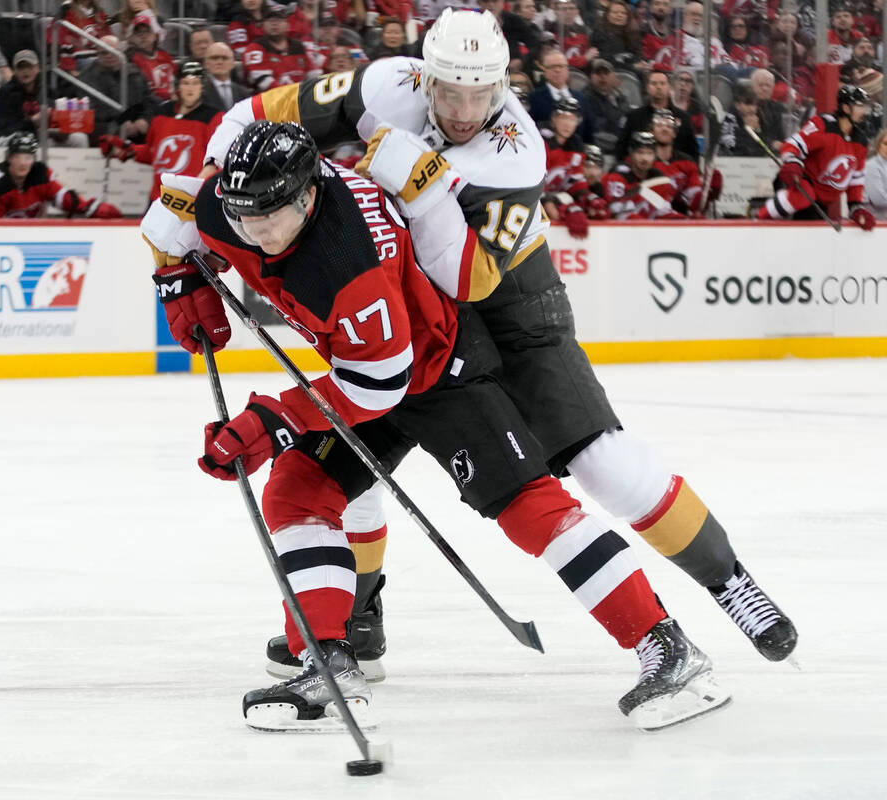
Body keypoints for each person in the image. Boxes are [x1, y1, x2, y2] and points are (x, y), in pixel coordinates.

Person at [198, 7, 797, 678]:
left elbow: (473, 277)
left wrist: (423, 187)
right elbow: (245, 122)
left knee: (603, 463)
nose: (462, 109)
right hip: (404, 301)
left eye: (479, 93)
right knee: (356, 467)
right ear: (425, 75)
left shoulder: (515, 151)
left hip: (508, 298)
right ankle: (356, 624)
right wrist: (218, 200)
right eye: (448, 90)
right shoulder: (385, 84)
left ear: (503, 84)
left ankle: (729, 582)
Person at [144, 119, 729, 730]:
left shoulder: (349, 260)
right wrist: (178, 278)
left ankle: (669, 648)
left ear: (307, 195)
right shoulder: (236, 203)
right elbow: (171, 215)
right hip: (364, 369)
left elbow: (378, 385)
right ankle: (329, 663)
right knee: (296, 492)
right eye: (241, 220)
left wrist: (275, 419)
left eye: (268, 220)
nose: (255, 236)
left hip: (438, 370)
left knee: (531, 508)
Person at [97, 61, 222, 201]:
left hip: (190, 200)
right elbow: (155, 152)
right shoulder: (161, 114)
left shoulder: (214, 118)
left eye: (195, 83)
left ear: (202, 87)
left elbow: (217, 162)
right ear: (177, 86)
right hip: (158, 198)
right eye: (185, 83)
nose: (190, 88)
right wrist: (126, 149)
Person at [756, 84, 875, 230]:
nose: (865, 111)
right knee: (803, 196)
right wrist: (792, 162)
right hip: (796, 181)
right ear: (845, 108)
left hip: (821, 202)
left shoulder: (861, 141)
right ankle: (759, 219)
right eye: (860, 106)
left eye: (865, 106)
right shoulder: (823, 125)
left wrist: (856, 207)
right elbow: (793, 144)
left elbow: (856, 179)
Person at [0, 132, 121, 219]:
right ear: (8, 158)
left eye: (28, 157)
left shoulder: (40, 173)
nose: (23, 163)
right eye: (17, 157)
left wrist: (90, 207)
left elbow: (64, 198)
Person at [650, 108, 721, 215]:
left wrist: (708, 193)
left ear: (674, 133)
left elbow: (694, 199)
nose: (664, 129)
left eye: (669, 126)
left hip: (680, 220)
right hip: (650, 221)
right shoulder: (643, 162)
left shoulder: (687, 162)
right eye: (659, 125)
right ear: (652, 131)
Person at [615, 70, 698, 160]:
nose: (658, 87)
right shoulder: (634, 117)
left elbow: (693, 151)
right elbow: (621, 148)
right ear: (647, 88)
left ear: (669, 87)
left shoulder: (683, 117)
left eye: (662, 84)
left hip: (676, 168)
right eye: (654, 83)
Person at [542, 96, 592, 239]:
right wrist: (555, 205)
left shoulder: (576, 144)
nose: (568, 124)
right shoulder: (541, 140)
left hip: (550, 197)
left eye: (572, 119)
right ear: (553, 119)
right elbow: (532, 182)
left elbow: (574, 182)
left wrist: (588, 199)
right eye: (563, 118)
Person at [242, 6, 318, 92]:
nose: (274, 24)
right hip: (267, 100)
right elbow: (263, 81)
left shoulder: (299, 46)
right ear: (263, 25)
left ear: (288, 25)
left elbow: (313, 75)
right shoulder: (255, 48)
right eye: (270, 20)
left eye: (279, 20)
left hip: (298, 98)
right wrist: (291, 95)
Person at [529, 49, 594, 143]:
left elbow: (589, 130)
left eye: (561, 66)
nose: (557, 70)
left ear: (567, 70)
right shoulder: (534, 98)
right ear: (545, 72)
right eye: (552, 67)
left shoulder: (582, 98)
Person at [128, 12, 178, 103]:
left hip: (173, 102)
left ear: (155, 35)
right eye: (138, 32)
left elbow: (176, 78)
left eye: (147, 31)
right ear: (133, 38)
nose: (142, 36)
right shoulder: (131, 59)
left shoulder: (165, 55)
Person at [202, 43, 250, 111]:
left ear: (233, 63)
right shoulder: (198, 92)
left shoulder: (244, 93)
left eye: (225, 58)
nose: (220, 62)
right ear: (205, 63)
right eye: (214, 58)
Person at [864, 129, 887, 219]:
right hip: (874, 225)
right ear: (878, 145)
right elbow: (879, 199)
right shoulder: (872, 166)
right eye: (885, 144)